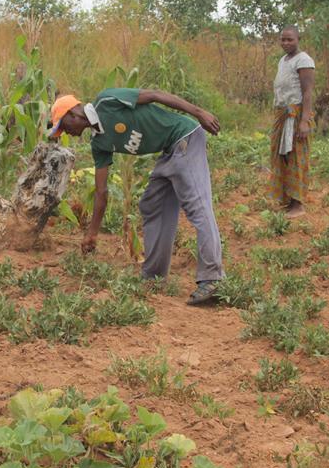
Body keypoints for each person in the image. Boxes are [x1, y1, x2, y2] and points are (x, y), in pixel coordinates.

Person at [48, 88, 224, 305]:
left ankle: (212, 279)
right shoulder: (99, 143)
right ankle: (154, 277)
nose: (65, 133)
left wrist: (198, 112)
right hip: (170, 150)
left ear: (73, 113)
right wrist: (92, 233)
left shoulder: (106, 102)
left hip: (185, 137)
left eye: (63, 126)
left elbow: (155, 95)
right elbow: (101, 192)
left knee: (198, 205)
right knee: (153, 203)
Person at [270, 26, 315, 218]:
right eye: (283, 39)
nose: (286, 43)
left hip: (296, 115)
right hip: (283, 114)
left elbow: (308, 92)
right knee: (284, 157)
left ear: (298, 39)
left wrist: (304, 121)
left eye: (290, 39)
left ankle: (298, 204)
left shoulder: (304, 60)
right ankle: (288, 200)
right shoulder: (283, 60)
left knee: (297, 157)